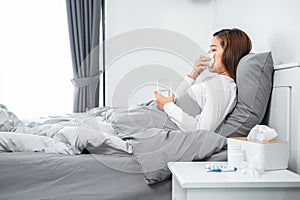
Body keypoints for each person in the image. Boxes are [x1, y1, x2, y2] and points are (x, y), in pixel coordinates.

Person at [154, 28, 252, 133]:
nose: (208, 53)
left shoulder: (224, 87)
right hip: (157, 114)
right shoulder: (216, 81)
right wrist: (194, 74)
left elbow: (201, 130)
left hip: (158, 120)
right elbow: (176, 99)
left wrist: (167, 106)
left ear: (230, 53)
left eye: (213, 49)